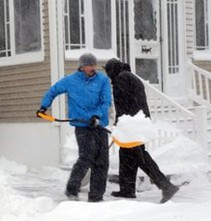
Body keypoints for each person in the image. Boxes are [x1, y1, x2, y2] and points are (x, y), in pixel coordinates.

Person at [37, 53, 112, 202]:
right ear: (82, 66)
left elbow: (106, 101)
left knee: (102, 162)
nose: (92, 68)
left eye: (94, 65)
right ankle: (72, 189)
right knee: (86, 158)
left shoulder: (102, 80)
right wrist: (44, 106)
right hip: (82, 126)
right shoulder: (71, 81)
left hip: (98, 125)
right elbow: (53, 91)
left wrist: (97, 116)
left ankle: (96, 196)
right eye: (89, 65)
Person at [103, 58, 179, 203]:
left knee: (138, 157)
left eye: (108, 73)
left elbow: (122, 103)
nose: (109, 77)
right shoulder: (131, 77)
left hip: (131, 124)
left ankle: (166, 186)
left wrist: (120, 122)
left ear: (112, 70)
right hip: (139, 121)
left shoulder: (121, 79)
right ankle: (127, 190)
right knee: (126, 156)